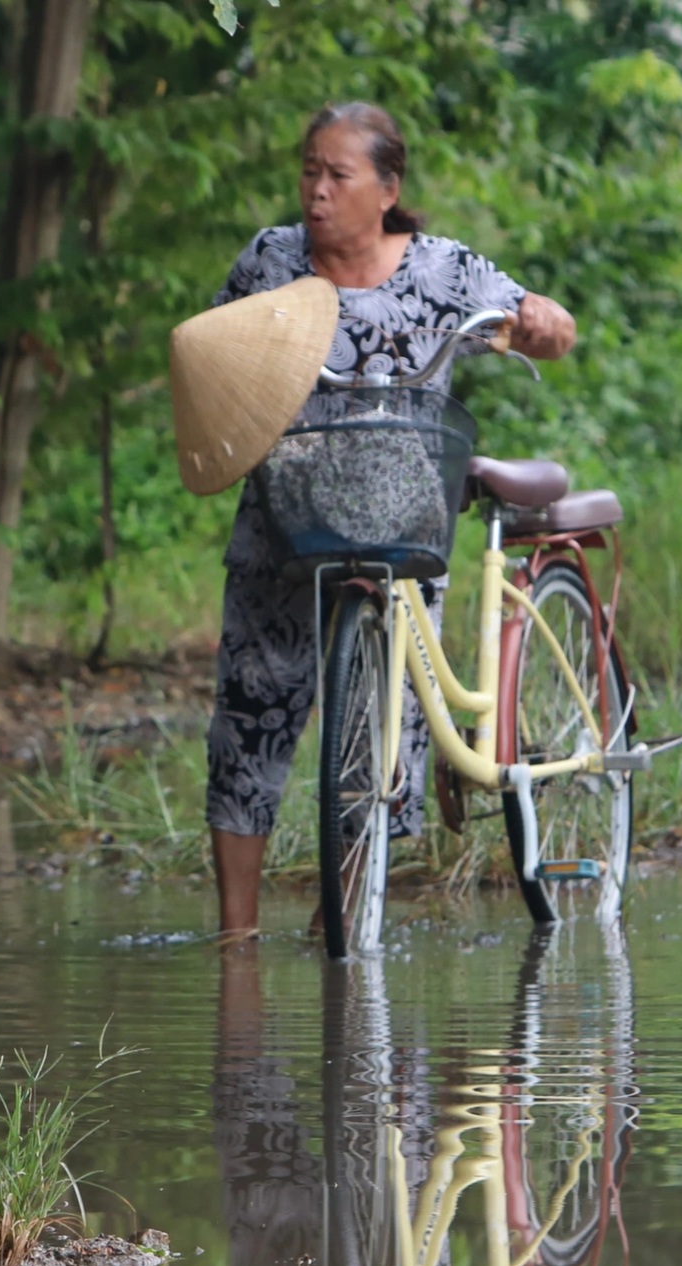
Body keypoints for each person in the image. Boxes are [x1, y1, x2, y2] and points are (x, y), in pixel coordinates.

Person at [205, 101, 577, 938]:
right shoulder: (270, 262)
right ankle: (235, 937)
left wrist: (545, 320)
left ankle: (346, 912)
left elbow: (542, 325)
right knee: (249, 718)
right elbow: (215, 359)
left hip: (400, 525)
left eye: (338, 175)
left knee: (384, 727)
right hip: (282, 522)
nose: (317, 191)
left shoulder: (444, 273)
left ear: (387, 189)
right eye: (309, 171)